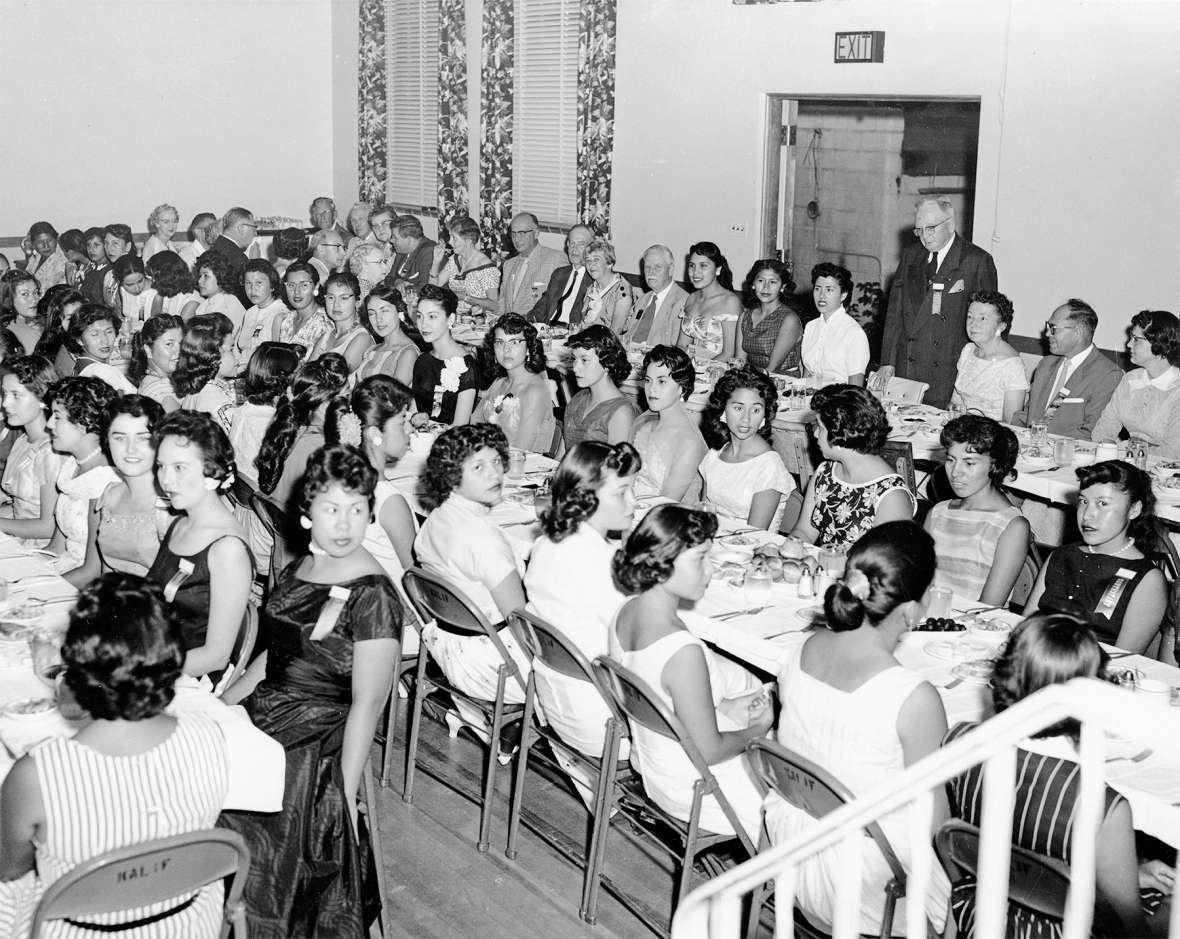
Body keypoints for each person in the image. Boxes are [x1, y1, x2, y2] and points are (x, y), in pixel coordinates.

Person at [219, 445, 400, 938]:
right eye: (331, 510)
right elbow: (276, 656)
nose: (344, 525)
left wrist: (342, 789)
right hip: (269, 712)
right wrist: (222, 705)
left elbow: (369, 702)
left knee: (260, 809)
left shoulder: (375, 594)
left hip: (319, 737)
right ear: (306, 515)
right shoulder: (302, 566)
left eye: (357, 510)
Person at [0, 573, 231, 939]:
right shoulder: (210, 735)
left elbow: (10, 870)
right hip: (187, 923)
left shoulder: (37, 773)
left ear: (76, 663)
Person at [764, 521, 950, 935]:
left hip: (792, 854)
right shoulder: (913, 697)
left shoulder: (806, 648)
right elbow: (935, 824)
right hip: (867, 884)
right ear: (914, 612)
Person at [944, 614, 1171, 938]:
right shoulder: (1100, 805)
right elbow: (1131, 930)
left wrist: (1129, 873)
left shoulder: (960, 743)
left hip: (984, 912)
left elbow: (1027, 852)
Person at [611, 504, 771, 842]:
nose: (710, 571)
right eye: (700, 559)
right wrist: (758, 729)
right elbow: (710, 751)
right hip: (697, 789)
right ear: (663, 563)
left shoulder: (625, 613)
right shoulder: (682, 650)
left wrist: (726, 710)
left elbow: (671, 704)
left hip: (655, 768)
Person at [525, 440, 639, 800]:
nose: (634, 502)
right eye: (622, 491)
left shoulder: (544, 546)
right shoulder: (604, 565)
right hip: (604, 722)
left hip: (555, 706)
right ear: (588, 496)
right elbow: (638, 651)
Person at [414, 423, 529, 735]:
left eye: (496, 462)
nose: (494, 474)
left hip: (446, 649)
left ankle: (471, 713)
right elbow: (520, 622)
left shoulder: (435, 520)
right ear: (452, 475)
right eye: (478, 466)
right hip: (493, 667)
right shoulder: (482, 539)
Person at [146, 409, 252, 684]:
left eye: (180, 467)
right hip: (157, 657)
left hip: (188, 679)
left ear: (211, 471)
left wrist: (139, 672)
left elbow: (215, 656)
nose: (166, 480)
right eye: (160, 466)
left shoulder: (227, 549)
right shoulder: (180, 523)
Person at [1026, 460, 1167, 654]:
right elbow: (1025, 629)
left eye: (1102, 504)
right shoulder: (1061, 556)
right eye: (1083, 501)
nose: (1087, 515)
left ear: (1134, 510)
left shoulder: (1146, 579)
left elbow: (1122, 660)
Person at [881, 196, 999, 409]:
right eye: (919, 230)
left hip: (949, 373)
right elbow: (895, 313)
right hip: (907, 367)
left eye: (931, 228)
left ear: (950, 224)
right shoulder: (911, 255)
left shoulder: (976, 261)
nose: (925, 237)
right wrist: (887, 362)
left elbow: (991, 322)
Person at [790, 384, 915, 548]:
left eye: (820, 428)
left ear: (841, 435)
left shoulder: (891, 496)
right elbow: (805, 531)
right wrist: (787, 549)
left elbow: (882, 563)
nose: (814, 434)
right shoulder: (825, 473)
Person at [924, 415, 1029, 605]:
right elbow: (919, 585)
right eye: (951, 460)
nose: (956, 472)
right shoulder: (938, 513)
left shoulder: (1011, 526)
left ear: (995, 464)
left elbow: (988, 606)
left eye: (969, 463)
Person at [69, 394, 169, 582]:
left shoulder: (171, 504)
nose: (131, 449)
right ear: (107, 441)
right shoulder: (110, 495)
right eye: (120, 438)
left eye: (143, 438)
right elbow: (107, 571)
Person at [327, 375, 418, 580]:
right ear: (376, 433)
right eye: (403, 421)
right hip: (390, 602)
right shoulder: (389, 501)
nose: (410, 429)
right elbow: (416, 576)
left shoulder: (339, 477)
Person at [41, 377, 120, 579]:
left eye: (57, 417)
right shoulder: (72, 466)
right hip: (64, 569)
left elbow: (92, 571)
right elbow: (56, 548)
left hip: (84, 585)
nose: (49, 424)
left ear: (83, 421)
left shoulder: (104, 481)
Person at [699, 366, 795, 529]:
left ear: (765, 414)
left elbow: (755, 536)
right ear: (723, 408)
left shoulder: (768, 466)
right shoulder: (716, 454)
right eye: (738, 408)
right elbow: (703, 515)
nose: (746, 418)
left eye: (756, 410)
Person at [1014, 299, 1122, 439]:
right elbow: (1027, 415)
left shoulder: (1107, 374)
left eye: (1053, 328)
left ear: (1078, 331)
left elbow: (1092, 433)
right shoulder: (1046, 364)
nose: (1047, 334)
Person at [256, 354, 349, 512]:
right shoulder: (318, 447)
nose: (347, 404)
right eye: (344, 397)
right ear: (321, 403)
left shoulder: (290, 427)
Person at [1091, 310, 1180, 457]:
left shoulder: (1177, 390)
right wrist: (1110, 447)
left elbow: (1173, 452)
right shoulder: (1131, 379)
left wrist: (1126, 451)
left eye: (1136, 339)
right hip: (1130, 461)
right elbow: (1104, 428)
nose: (1128, 344)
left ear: (1160, 344)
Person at [0, 354, 64, 545]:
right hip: (15, 534)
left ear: (43, 397)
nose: (5, 403)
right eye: (4, 394)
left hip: (38, 546)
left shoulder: (52, 452)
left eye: (16, 395)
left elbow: (49, 527)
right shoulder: (22, 440)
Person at [631, 345, 707, 501]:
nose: (652, 389)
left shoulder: (689, 442)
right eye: (648, 380)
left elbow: (668, 503)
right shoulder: (645, 423)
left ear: (682, 388)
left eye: (662, 381)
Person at [475, 313, 557, 453]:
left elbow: (520, 450)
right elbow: (474, 424)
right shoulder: (499, 383)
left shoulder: (535, 391)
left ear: (528, 349)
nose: (506, 349)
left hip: (519, 467)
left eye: (514, 342)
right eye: (500, 342)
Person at [225, 342, 302, 488]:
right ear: (285, 380)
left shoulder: (245, 409)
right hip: (258, 497)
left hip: (238, 491)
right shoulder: (270, 423)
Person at [949, 290, 1029, 421]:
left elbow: (1010, 423)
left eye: (982, 318)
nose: (973, 324)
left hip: (993, 435)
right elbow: (955, 404)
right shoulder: (968, 350)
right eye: (970, 316)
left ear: (1001, 326)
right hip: (961, 430)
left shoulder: (1012, 365)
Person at [411, 283, 478, 426]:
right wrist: (414, 420)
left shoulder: (466, 366)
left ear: (451, 319)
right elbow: (413, 411)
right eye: (419, 316)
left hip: (449, 443)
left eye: (432, 317)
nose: (423, 324)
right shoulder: (422, 361)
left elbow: (460, 425)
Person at [563, 324, 637, 449]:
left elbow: (616, 467)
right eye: (574, 359)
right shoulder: (578, 399)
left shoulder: (621, 413)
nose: (575, 368)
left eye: (584, 360)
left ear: (607, 363)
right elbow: (561, 457)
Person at [801, 262, 869, 386]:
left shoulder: (854, 333)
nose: (821, 295)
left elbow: (855, 387)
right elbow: (807, 375)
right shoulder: (811, 327)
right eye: (817, 289)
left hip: (839, 400)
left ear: (843, 295)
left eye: (829, 290)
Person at [678, 241, 741, 362]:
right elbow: (682, 345)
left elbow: (729, 354)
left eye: (703, 266)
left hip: (717, 370)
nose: (695, 272)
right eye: (692, 265)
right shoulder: (691, 298)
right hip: (690, 368)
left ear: (718, 270)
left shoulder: (730, 302)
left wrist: (700, 370)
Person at [617, 244, 689, 348]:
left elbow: (677, 349)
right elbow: (628, 334)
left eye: (657, 267)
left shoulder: (683, 302)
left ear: (671, 269)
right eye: (647, 267)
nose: (651, 272)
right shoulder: (643, 299)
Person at [737, 258, 802, 374]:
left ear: (782, 287)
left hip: (781, 381)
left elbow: (772, 369)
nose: (766, 287)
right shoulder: (745, 317)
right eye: (761, 281)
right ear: (753, 284)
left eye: (773, 282)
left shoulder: (789, 319)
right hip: (752, 378)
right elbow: (739, 361)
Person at [173, 313, 237, 428]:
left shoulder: (199, 387)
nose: (237, 356)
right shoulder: (216, 401)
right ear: (214, 354)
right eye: (231, 349)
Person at [429, 216, 501, 318]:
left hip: (479, 321)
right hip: (455, 317)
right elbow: (432, 289)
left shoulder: (485, 268)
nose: (450, 242)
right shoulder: (454, 260)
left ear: (468, 241)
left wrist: (466, 298)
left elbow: (495, 306)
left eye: (454, 238)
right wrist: (436, 262)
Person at [498, 212, 566, 315]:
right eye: (513, 234)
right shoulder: (508, 265)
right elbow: (502, 304)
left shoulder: (555, 260)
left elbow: (561, 303)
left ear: (536, 233)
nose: (516, 239)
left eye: (522, 233)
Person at [527, 224, 595, 326]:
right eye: (571, 243)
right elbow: (543, 305)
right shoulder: (559, 274)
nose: (574, 249)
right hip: (548, 329)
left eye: (581, 244)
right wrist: (530, 323)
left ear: (591, 248)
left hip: (572, 333)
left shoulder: (594, 279)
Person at [308, 271, 375, 371]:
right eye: (331, 297)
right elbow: (307, 372)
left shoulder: (362, 337)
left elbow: (337, 378)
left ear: (357, 301)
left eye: (344, 298)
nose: (336, 305)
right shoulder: (326, 336)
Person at [353, 283, 417, 385]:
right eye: (372, 313)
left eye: (385, 311)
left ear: (399, 312)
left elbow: (394, 397)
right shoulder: (371, 350)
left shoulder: (408, 353)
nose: (378, 319)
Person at [66, 302, 135, 393]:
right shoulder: (101, 372)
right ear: (79, 340)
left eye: (109, 332)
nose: (104, 340)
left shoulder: (81, 363)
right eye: (95, 334)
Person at [236, 258, 288, 370]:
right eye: (248, 283)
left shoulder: (281, 312)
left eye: (259, 283)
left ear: (272, 285)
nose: (252, 289)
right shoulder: (250, 313)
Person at [129, 313, 183, 412]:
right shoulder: (162, 396)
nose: (179, 351)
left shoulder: (155, 378)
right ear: (148, 350)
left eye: (181, 343)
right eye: (169, 344)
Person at [579, 238, 633, 334]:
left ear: (609, 263)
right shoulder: (591, 289)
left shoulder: (622, 291)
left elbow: (615, 332)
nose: (591, 264)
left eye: (596, 259)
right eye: (588, 260)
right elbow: (583, 323)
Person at [274, 260, 329, 353]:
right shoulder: (284, 320)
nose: (296, 292)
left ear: (316, 286)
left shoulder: (324, 324)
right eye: (291, 285)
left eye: (304, 285)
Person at [192, 251, 247, 342]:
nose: (200, 281)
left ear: (220, 275)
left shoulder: (229, 304)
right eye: (200, 276)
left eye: (206, 276)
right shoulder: (203, 306)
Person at [206, 207, 255, 306]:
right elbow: (249, 298)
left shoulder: (214, 249)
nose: (255, 233)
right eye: (253, 228)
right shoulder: (238, 258)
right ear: (241, 228)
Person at [31, 284, 84, 375]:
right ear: (59, 323)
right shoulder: (64, 357)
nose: (78, 322)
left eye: (82, 315)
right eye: (70, 318)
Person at [145, 248, 202, 320]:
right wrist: (159, 298)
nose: (153, 281)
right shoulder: (164, 292)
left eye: (155, 277)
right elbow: (153, 323)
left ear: (167, 276)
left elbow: (181, 331)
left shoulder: (191, 302)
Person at [386, 214, 436, 291]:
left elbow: (425, 288)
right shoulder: (402, 249)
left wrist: (407, 288)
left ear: (410, 239)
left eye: (395, 237)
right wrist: (397, 282)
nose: (391, 240)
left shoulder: (429, 252)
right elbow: (389, 278)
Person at [1, 270, 42, 354]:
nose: (34, 299)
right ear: (9, 299)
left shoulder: (36, 323)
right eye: (25, 294)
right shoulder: (18, 334)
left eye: (35, 292)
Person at [24, 221, 67, 290]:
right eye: (40, 242)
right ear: (33, 244)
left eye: (49, 240)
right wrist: (28, 253)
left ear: (56, 239)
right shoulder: (36, 256)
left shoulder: (63, 260)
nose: (46, 246)